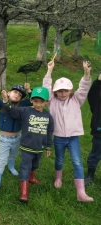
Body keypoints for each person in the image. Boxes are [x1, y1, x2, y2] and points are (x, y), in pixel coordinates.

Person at [43, 60, 93, 202]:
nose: (63, 93)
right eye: (59, 91)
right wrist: (49, 71)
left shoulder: (77, 100)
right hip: (58, 137)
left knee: (77, 162)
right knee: (59, 159)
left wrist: (86, 73)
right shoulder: (51, 101)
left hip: (73, 138)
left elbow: (83, 88)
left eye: (66, 90)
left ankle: (81, 192)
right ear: (55, 92)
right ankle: (58, 177)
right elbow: (46, 88)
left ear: (70, 90)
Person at [1, 86, 54, 203]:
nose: (38, 104)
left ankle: (31, 176)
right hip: (27, 147)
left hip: (39, 148)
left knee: (35, 165)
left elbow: (49, 133)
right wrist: (6, 100)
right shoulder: (25, 111)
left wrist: (48, 146)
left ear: (46, 102)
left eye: (41, 102)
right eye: (36, 101)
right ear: (31, 101)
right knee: (25, 167)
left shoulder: (48, 116)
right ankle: (24, 193)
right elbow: (12, 110)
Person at [0, 83, 32, 191]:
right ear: (8, 93)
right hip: (4, 139)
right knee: (2, 160)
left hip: (17, 137)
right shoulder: (1, 104)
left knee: (13, 154)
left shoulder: (22, 105)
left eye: (20, 95)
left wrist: (29, 90)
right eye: (15, 92)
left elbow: (32, 100)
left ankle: (11, 166)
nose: (17, 95)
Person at [85, 73, 101, 185]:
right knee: (95, 154)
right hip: (99, 132)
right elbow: (93, 94)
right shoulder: (97, 102)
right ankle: (90, 174)